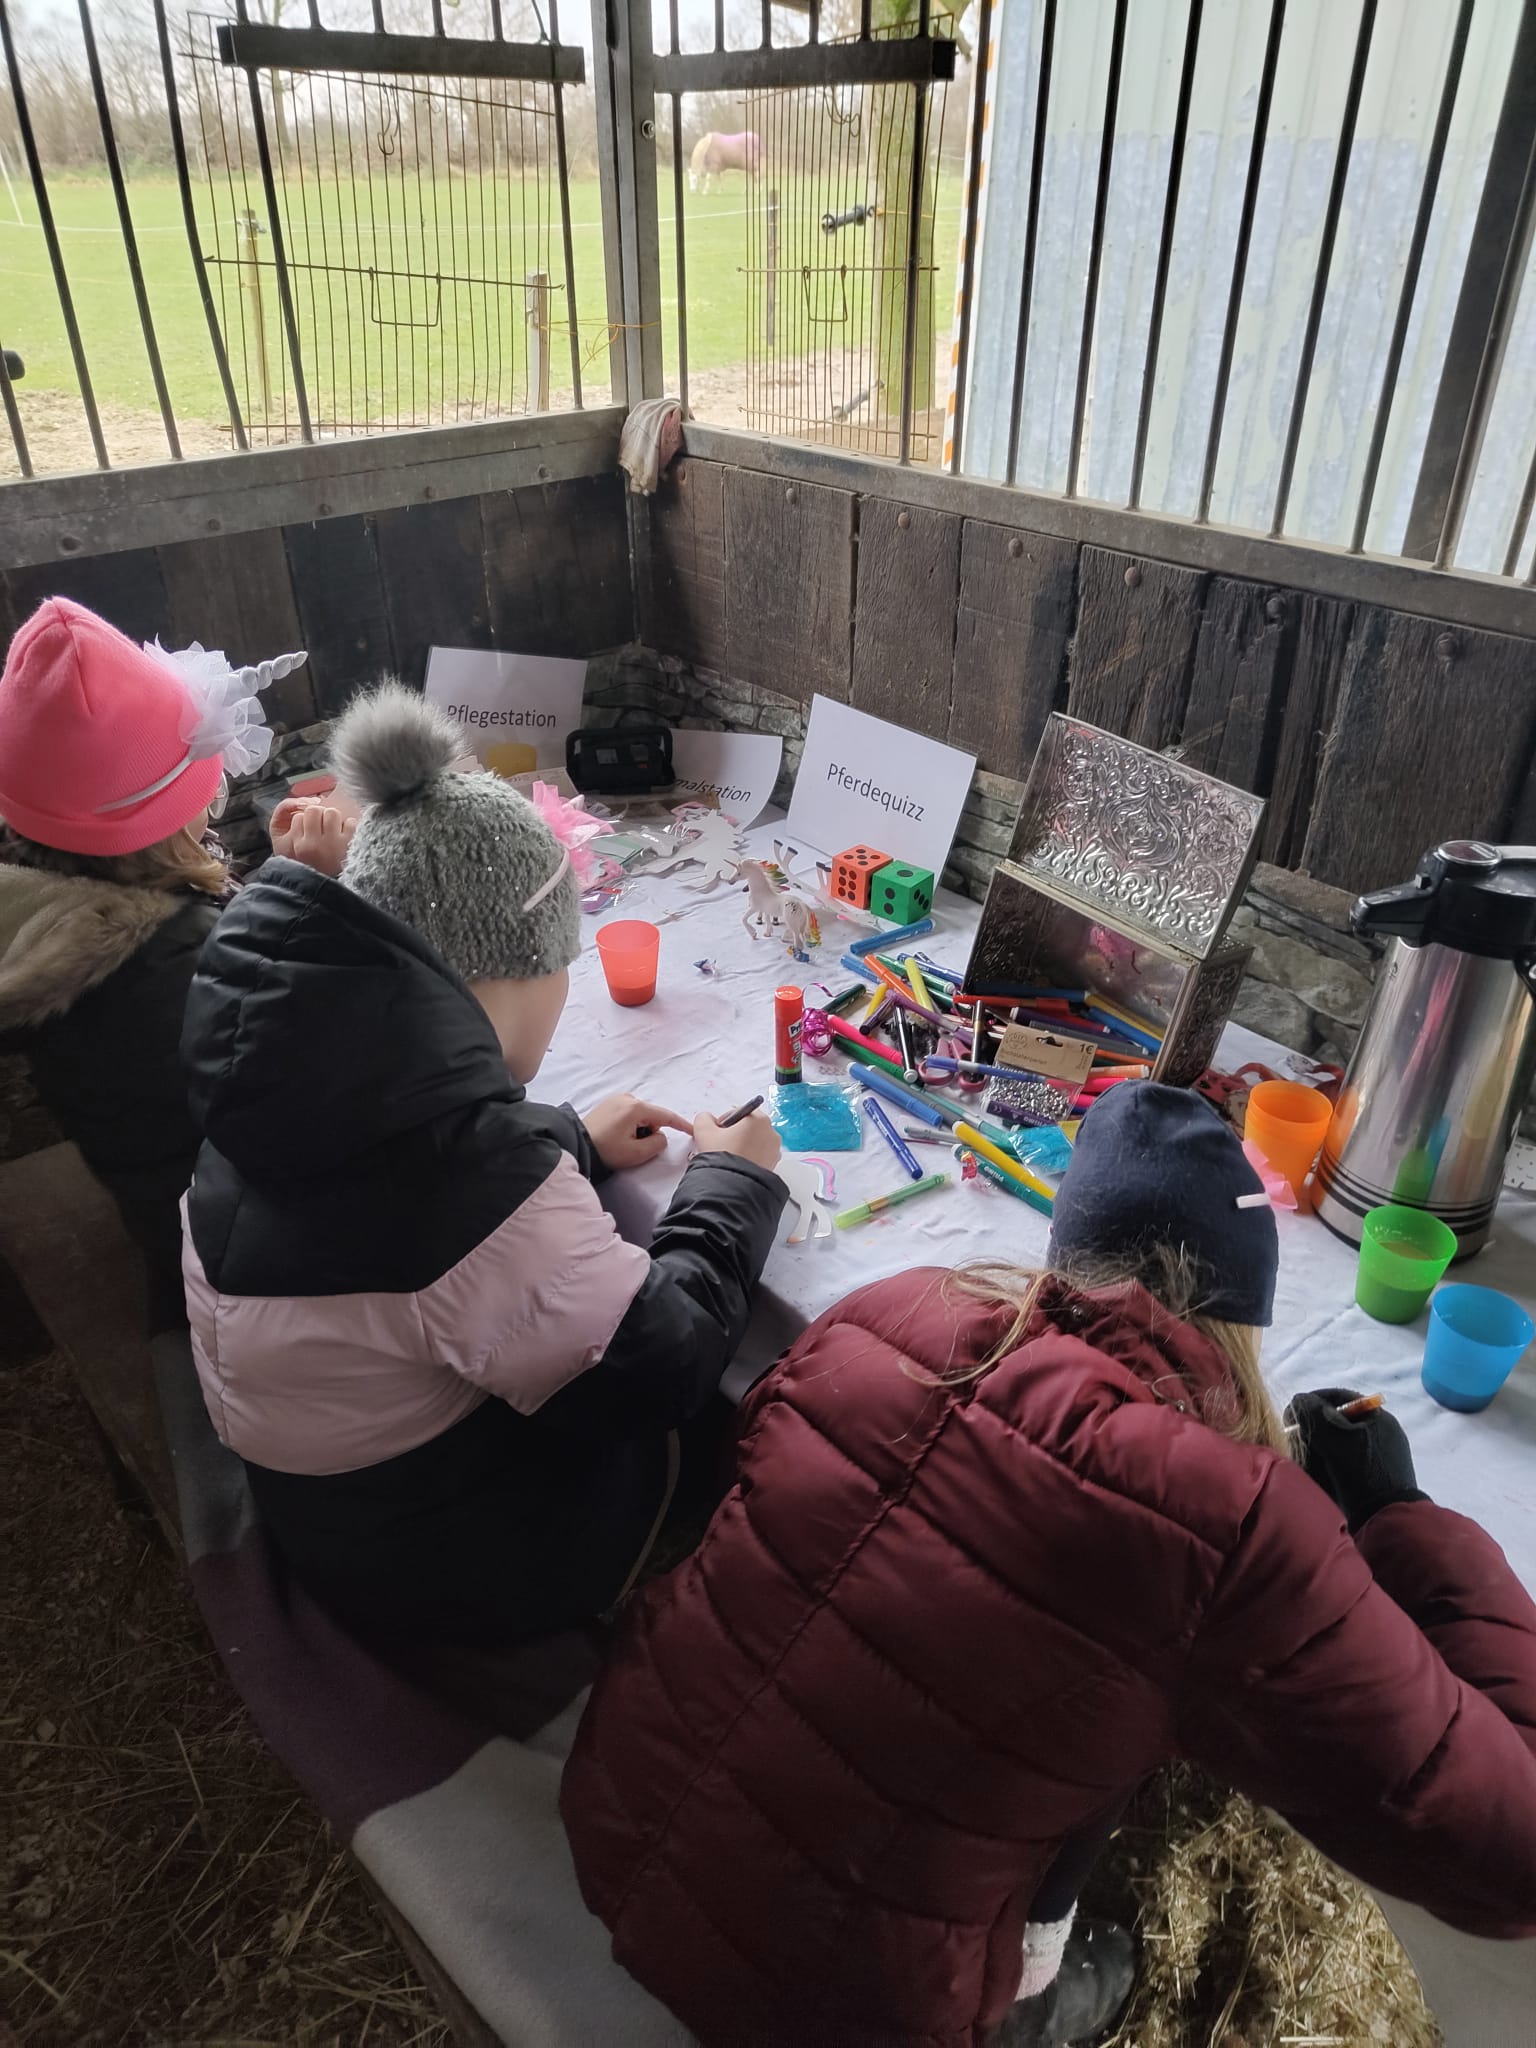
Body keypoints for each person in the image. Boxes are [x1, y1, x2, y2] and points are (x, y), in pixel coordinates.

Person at [560, 1084, 1536, 2048]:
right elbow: (1509, 1860)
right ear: (1242, 1322)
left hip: (616, 1814)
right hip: (837, 2000)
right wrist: (1404, 1520)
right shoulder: (1228, 1524)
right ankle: (1028, 1994)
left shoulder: (889, 1312)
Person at [179, 683, 787, 1648]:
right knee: (730, 1409)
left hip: (332, 1506)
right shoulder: (467, 1189)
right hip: (449, 1570)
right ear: (517, 968)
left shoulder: (283, 1066)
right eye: (564, 967)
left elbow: (407, 1193)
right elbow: (658, 1365)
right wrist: (734, 1185)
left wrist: (569, 1141)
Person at [0, 596, 339, 1333]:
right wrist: (304, 891)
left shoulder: (43, 903)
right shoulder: (161, 964)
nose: (214, 804)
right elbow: (300, 1068)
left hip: (164, 1197)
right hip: (236, 1258)